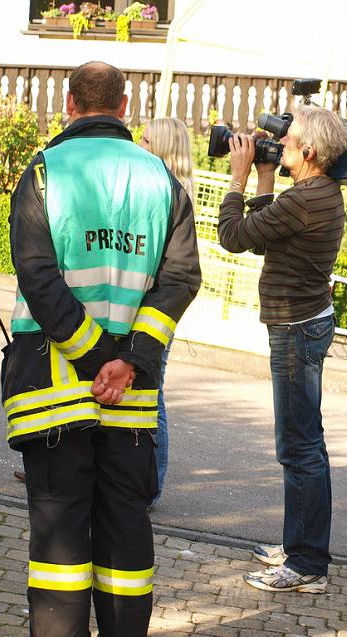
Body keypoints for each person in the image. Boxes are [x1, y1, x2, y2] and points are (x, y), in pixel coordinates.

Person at [2, 61, 201, 636]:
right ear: (124, 105)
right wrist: (130, 359)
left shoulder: (44, 172)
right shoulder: (162, 180)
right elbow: (181, 278)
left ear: (69, 104)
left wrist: (92, 359)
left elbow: (37, 277)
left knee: (59, 539)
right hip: (130, 401)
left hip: (54, 393)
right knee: (126, 538)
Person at [218, 104, 347, 593]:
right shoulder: (315, 193)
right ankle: (300, 545)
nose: (279, 143)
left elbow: (233, 238)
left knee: (299, 448)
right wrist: (265, 178)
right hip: (303, 324)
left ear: (310, 152)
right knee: (302, 443)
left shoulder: (307, 199)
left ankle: (306, 563)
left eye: (288, 139)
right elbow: (262, 239)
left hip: (296, 330)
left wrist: (237, 178)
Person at [139, 116, 195, 507]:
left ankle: (152, 485)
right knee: (147, 390)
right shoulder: (171, 190)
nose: (137, 144)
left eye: (144, 138)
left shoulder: (168, 194)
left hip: (154, 306)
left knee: (151, 393)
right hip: (157, 306)